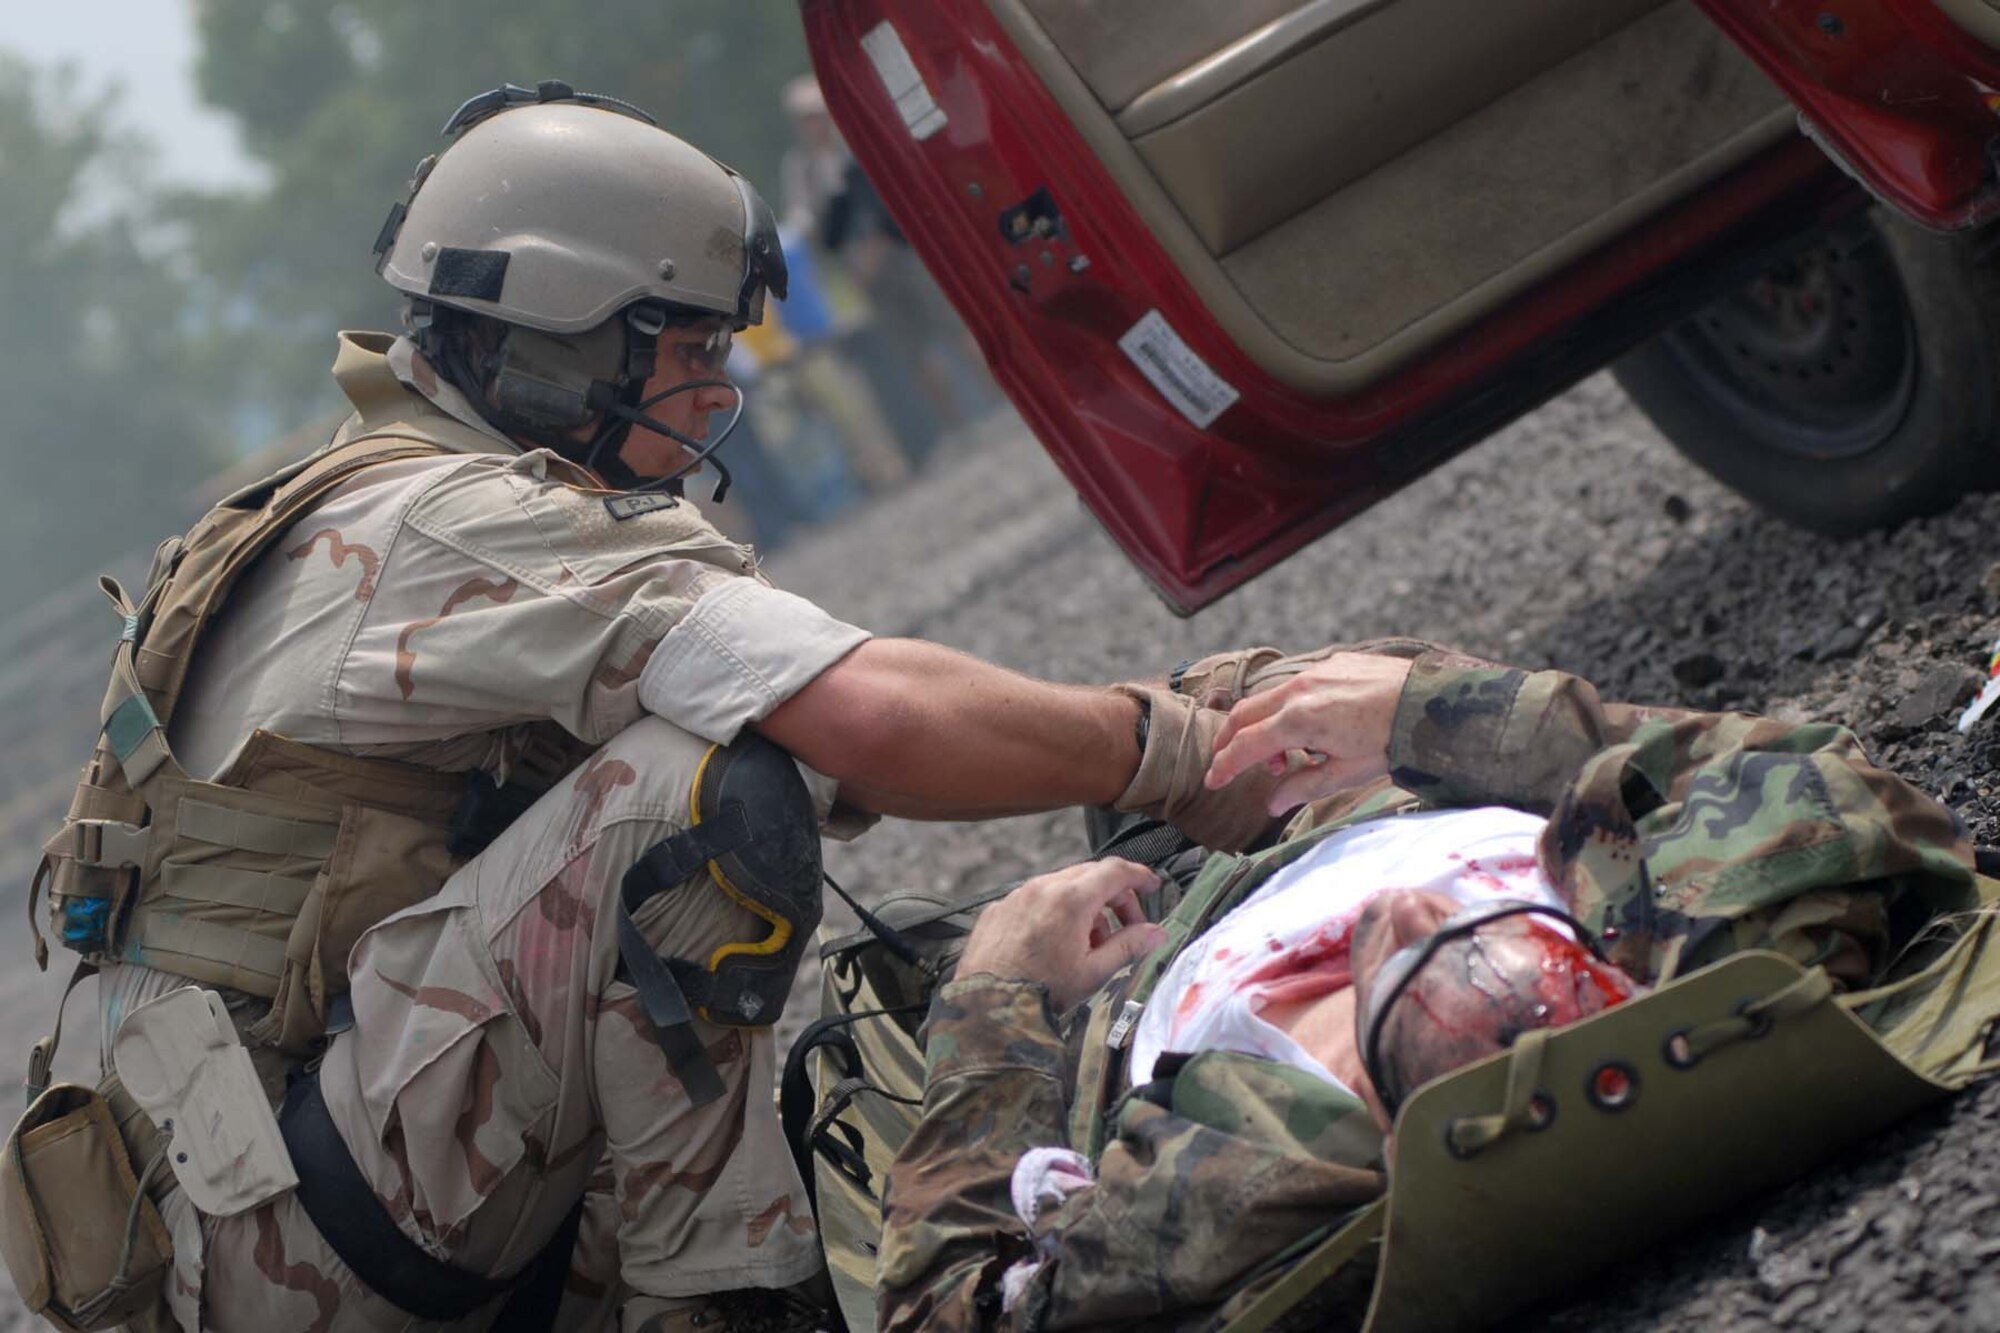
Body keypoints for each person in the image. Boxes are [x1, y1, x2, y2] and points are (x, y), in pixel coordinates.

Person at [2, 82, 1278, 1333]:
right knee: (698, 799)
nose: (716, 392)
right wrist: (1183, 751)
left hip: (226, 1217)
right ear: (563, 346)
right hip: (275, 1244)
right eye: (688, 351)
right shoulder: (466, 522)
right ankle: (724, 1306)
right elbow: (863, 719)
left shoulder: (362, 496)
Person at [869, 644, 1980, 1332]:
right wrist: (1427, 712)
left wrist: (996, 1007)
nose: (1396, 915)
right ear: (1610, 968)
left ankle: (1141, 753)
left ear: (1388, 1127)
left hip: (1151, 947)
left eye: (1372, 1002)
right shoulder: (1724, 945)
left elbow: (947, 1305)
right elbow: (1810, 771)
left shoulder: (1239, 1183)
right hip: (1386, 793)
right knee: (1241, 706)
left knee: (1137, 746)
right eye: (1473, 926)